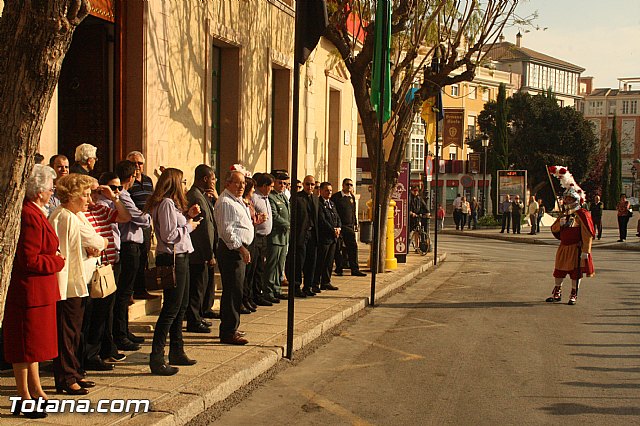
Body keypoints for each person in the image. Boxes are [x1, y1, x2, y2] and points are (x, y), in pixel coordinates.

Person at [4, 165, 65, 418]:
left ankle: (37, 390)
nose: (52, 191)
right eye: (50, 187)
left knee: (36, 348)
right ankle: (23, 396)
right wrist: (57, 261)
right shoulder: (29, 214)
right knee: (25, 346)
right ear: (39, 190)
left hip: (39, 292)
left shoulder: (36, 211)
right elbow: (29, 259)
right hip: (29, 291)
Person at [49, 173, 108, 395]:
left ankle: (74, 371)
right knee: (67, 331)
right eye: (84, 195)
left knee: (75, 331)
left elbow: (95, 239)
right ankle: (66, 377)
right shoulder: (64, 216)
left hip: (79, 281)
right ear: (72, 196)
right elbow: (96, 240)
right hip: (68, 284)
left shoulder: (77, 215)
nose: (88, 200)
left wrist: (96, 245)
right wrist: (97, 245)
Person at [146, 168, 201, 375]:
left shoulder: (172, 204)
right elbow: (170, 235)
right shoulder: (167, 203)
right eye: (183, 181)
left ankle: (177, 350)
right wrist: (189, 225)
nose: (185, 185)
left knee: (181, 306)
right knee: (171, 308)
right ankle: (157, 356)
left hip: (182, 256)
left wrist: (187, 216)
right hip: (173, 258)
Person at [82, 175, 131, 372]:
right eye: (91, 192)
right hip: (90, 269)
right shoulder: (80, 214)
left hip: (107, 266)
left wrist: (114, 198)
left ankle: (99, 351)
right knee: (90, 314)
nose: (94, 196)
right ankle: (89, 354)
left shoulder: (102, 209)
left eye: (97, 192)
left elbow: (125, 217)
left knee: (104, 313)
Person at [113, 160, 151, 352]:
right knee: (124, 293)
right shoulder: (123, 195)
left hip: (133, 246)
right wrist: (146, 217)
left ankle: (124, 330)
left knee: (127, 292)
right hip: (128, 246)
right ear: (131, 176)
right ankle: (120, 334)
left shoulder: (125, 194)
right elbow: (140, 217)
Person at [213, 170, 254, 345]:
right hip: (232, 251)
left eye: (243, 183)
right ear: (227, 183)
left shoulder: (236, 200)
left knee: (236, 290)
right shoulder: (225, 202)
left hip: (239, 250)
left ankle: (232, 326)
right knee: (232, 291)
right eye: (237, 183)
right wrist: (241, 249)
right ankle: (228, 331)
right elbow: (227, 231)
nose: (241, 186)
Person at [546, 188, 595, 305]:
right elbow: (554, 229)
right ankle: (557, 291)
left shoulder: (582, 214)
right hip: (564, 247)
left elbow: (587, 234)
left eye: (570, 199)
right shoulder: (564, 214)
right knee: (559, 270)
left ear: (576, 200)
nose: (567, 201)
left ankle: (574, 293)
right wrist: (560, 223)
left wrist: (585, 251)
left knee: (575, 273)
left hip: (576, 248)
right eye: (566, 198)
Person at [185, 165, 218, 333]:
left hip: (203, 250)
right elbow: (202, 229)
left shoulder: (203, 196)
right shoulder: (195, 196)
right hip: (198, 251)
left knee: (202, 285)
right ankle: (193, 320)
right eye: (213, 179)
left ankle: (198, 316)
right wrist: (208, 253)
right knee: (197, 287)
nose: (214, 182)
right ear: (205, 179)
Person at [126, 151, 157, 301]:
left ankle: (141, 288)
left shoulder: (148, 180)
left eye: (139, 163)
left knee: (144, 257)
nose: (137, 166)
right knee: (134, 260)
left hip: (147, 224)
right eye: (133, 163)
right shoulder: (127, 182)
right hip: (132, 225)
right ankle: (130, 290)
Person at [331, 178, 366, 277]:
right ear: (343, 185)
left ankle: (354, 269)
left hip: (349, 226)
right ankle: (339, 268)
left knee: (353, 247)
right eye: (347, 184)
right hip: (340, 226)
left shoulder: (352, 198)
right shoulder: (336, 197)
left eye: (351, 185)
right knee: (338, 249)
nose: (349, 186)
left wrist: (355, 223)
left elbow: (353, 211)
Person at [251, 173, 277, 304]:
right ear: (264, 186)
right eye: (271, 186)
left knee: (261, 267)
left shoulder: (266, 198)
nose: (272, 189)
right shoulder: (254, 197)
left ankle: (258, 294)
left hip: (265, 237)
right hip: (257, 236)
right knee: (255, 268)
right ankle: (254, 295)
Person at [292, 175, 320, 297]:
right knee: (299, 262)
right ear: (303, 184)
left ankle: (307, 286)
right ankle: (296, 287)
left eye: (312, 185)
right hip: (301, 235)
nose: (310, 187)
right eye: (307, 184)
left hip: (313, 234)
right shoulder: (297, 198)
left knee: (311, 261)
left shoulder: (315, 198)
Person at [265, 171, 290, 300]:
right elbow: (274, 216)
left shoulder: (284, 197)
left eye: (284, 183)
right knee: (272, 265)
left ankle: (277, 288)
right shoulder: (271, 197)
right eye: (280, 182)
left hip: (284, 237)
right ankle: (268, 291)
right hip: (275, 236)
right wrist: (288, 224)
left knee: (280, 266)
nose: (282, 185)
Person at [315, 182, 341, 292]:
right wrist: (332, 230)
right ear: (321, 191)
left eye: (330, 190)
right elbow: (322, 220)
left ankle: (326, 281)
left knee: (330, 261)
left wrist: (339, 227)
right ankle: (316, 282)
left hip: (333, 238)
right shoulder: (319, 203)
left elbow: (337, 217)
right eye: (326, 190)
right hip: (324, 237)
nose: (329, 192)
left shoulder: (332, 203)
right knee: (321, 261)